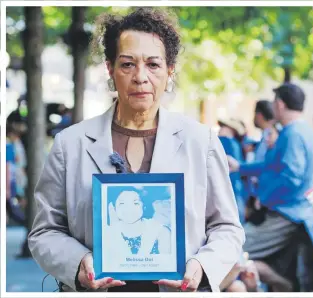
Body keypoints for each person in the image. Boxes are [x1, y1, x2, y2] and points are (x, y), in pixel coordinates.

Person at [28, 8, 244, 293]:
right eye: (127, 64)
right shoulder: (71, 144)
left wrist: (201, 266)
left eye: (153, 65)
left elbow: (227, 228)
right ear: (110, 68)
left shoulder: (200, 142)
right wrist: (78, 263)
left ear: (170, 70)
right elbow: (45, 231)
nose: (140, 77)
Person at [228, 83, 313, 292]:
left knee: (233, 251)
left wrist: (264, 197)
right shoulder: (299, 130)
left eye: (274, 102)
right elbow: (273, 166)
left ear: (280, 104)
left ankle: (283, 286)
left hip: (285, 213)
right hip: (291, 212)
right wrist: (241, 168)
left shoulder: (293, 134)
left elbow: (291, 177)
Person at [217, 118, 247, 223]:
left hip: (226, 191)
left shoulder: (223, 141)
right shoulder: (237, 144)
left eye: (223, 126)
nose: (220, 129)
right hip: (237, 190)